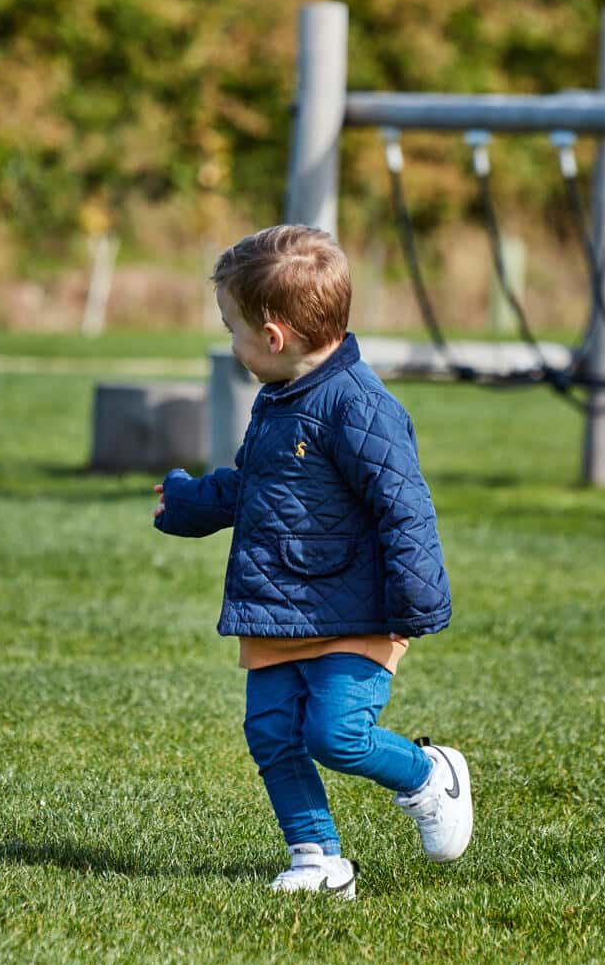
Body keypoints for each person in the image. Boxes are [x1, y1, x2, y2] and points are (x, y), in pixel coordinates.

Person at [153, 224, 470, 900]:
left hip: (358, 608)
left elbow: (404, 507)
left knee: (335, 734)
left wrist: (414, 601)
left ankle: (426, 775)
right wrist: (188, 505)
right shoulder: (278, 400)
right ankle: (316, 859)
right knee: (272, 734)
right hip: (279, 605)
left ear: (273, 337)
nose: (231, 345)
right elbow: (252, 485)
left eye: (232, 330)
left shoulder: (360, 407)